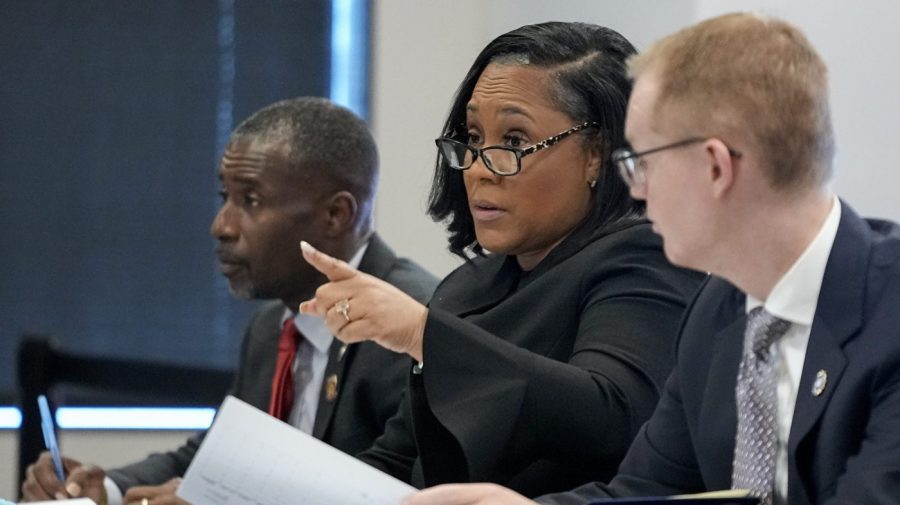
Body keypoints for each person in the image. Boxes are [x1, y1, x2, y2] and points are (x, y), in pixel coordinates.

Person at [404, 12, 900, 505]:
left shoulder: (889, 310)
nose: (634, 189)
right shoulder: (718, 310)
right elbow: (646, 489)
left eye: (641, 162)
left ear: (714, 167)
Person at [298, 21, 705, 498]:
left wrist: (421, 333)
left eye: (513, 141)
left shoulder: (644, 256)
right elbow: (400, 461)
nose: (476, 166)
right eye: (472, 136)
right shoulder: (466, 286)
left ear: (596, 154)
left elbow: (613, 413)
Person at [21, 97, 439, 504]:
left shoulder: (414, 328)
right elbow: (216, 457)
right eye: (226, 198)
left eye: (250, 201)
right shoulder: (270, 327)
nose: (220, 226)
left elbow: (398, 492)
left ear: (336, 215)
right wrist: (103, 490)